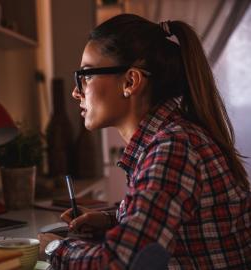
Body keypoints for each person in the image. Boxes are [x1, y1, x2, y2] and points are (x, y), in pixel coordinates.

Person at [38, 13, 251, 269]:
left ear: (130, 81)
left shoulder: (173, 148)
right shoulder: (171, 138)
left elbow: (120, 263)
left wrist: (54, 247)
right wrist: (113, 220)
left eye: (86, 75)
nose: (76, 91)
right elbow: (172, 220)